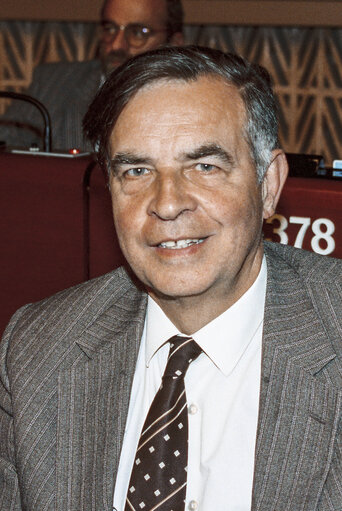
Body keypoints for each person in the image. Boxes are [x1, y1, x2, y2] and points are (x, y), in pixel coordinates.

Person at [1, 46, 341, 511]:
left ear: (268, 186)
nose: (166, 202)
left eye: (204, 166)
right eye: (137, 171)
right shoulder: (38, 350)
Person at [0, 0, 184, 151]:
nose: (116, 45)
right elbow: (5, 146)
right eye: (110, 29)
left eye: (137, 32)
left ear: (175, 43)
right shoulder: (51, 83)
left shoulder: (190, 102)